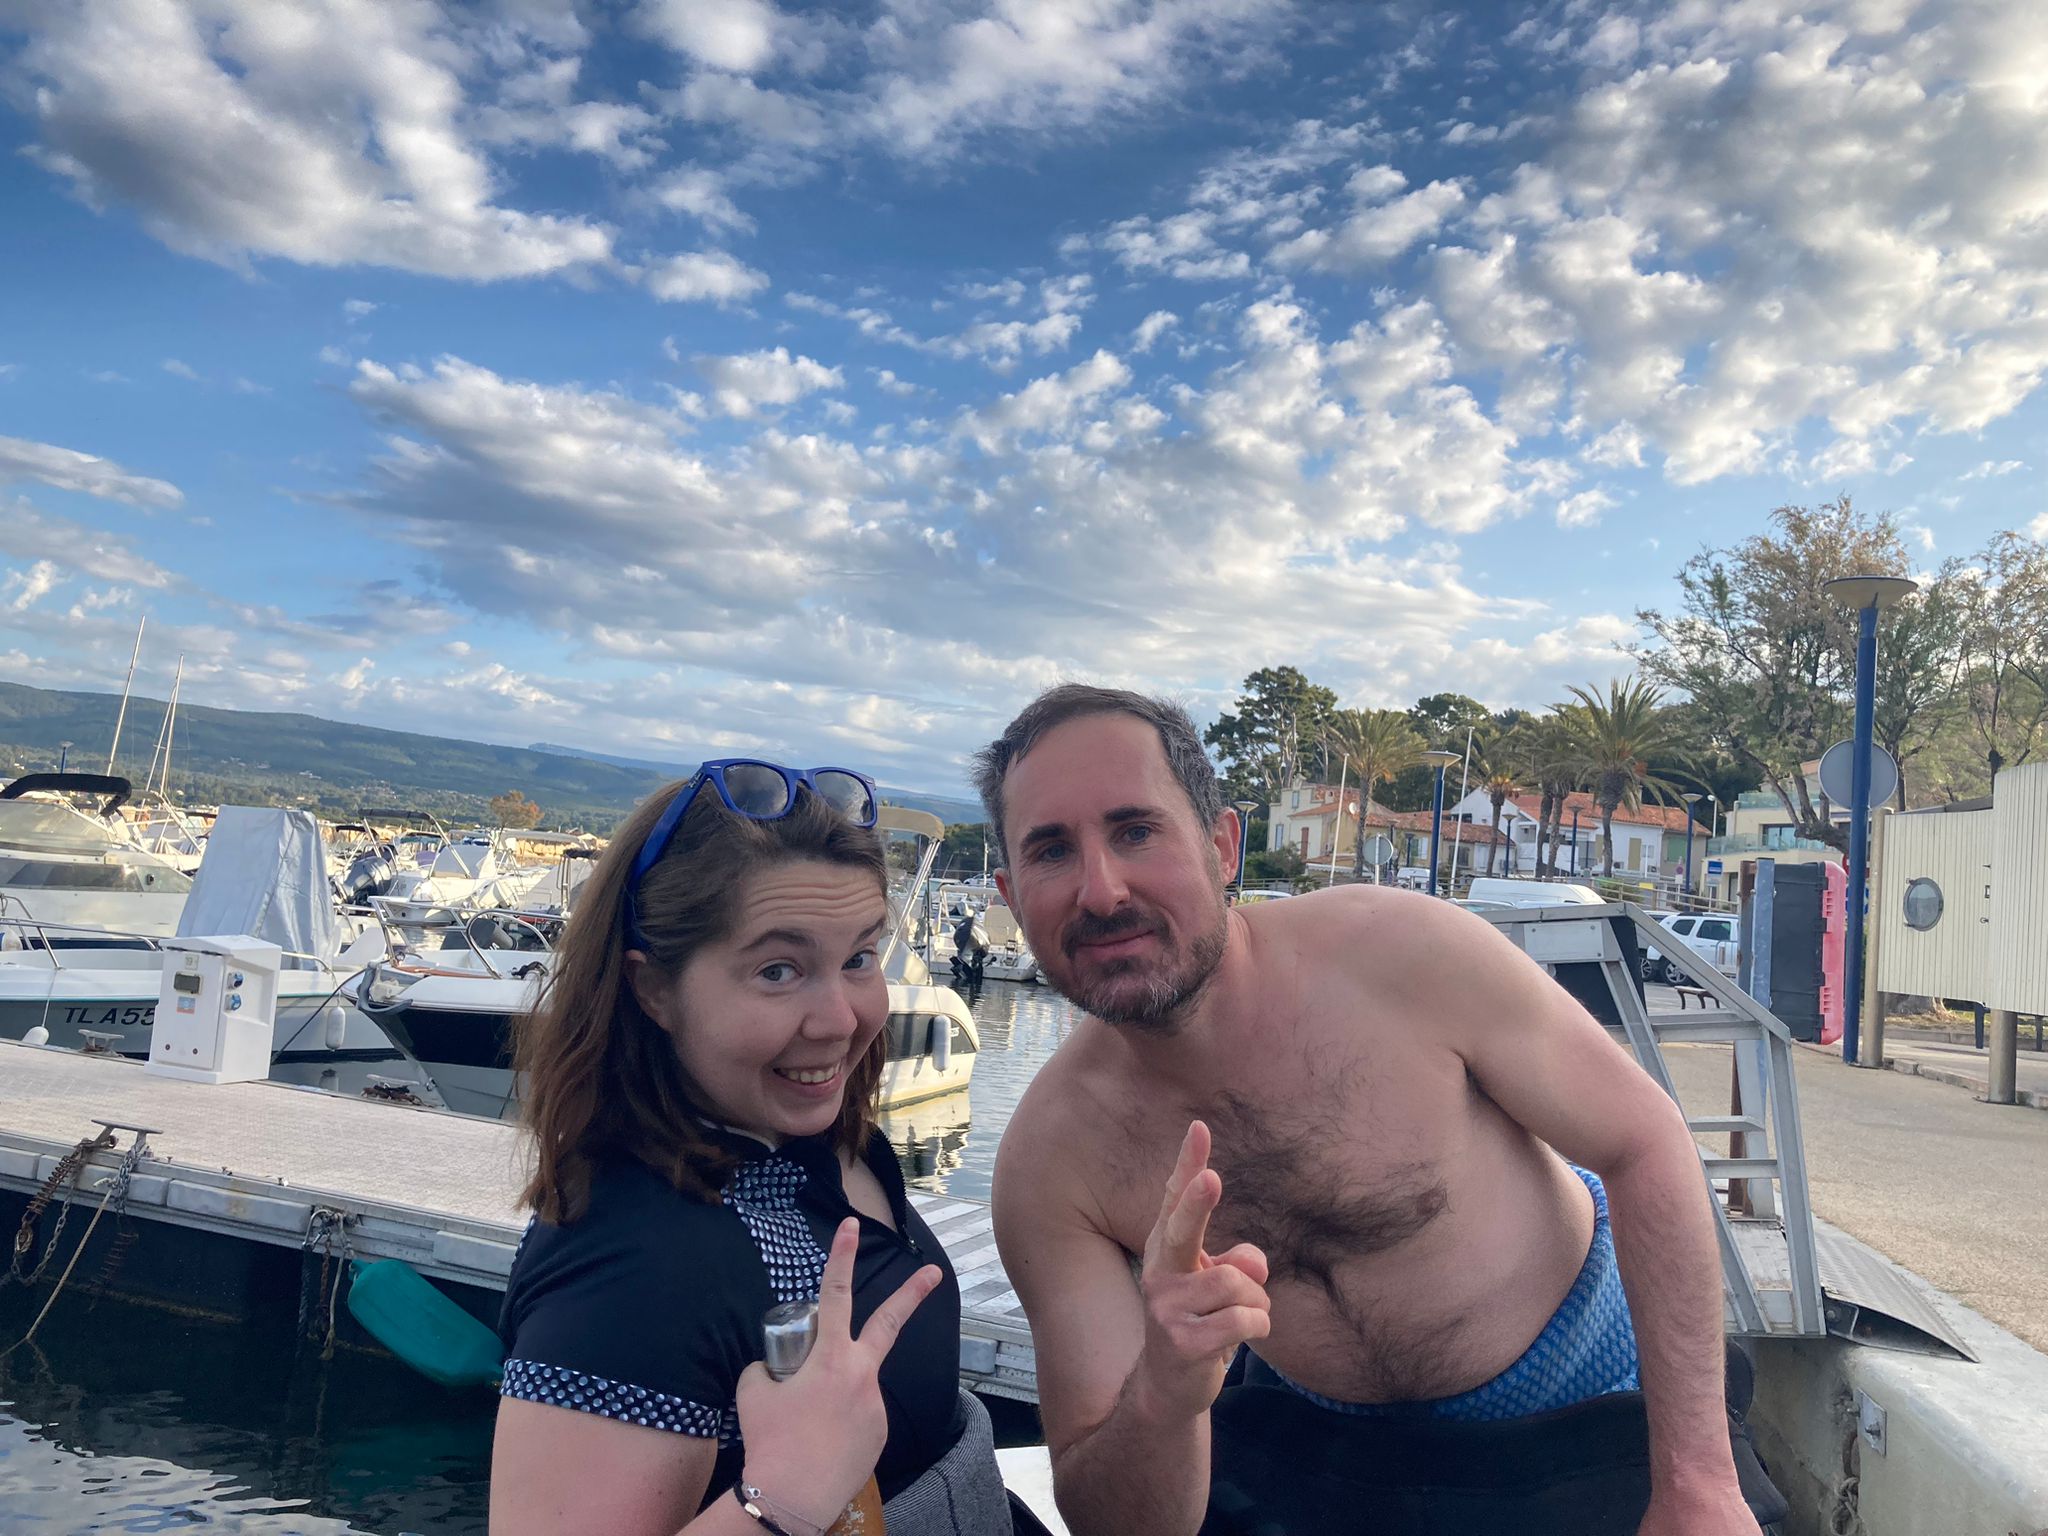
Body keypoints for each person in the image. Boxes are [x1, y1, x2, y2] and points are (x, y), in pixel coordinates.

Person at [974, 685, 1768, 1536]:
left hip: (1600, 1411)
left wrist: (1697, 1480)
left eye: (1136, 831)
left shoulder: (1400, 957)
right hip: (1322, 1453)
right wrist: (1164, 1394)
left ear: (1222, 846)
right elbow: (1112, 1519)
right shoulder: (1052, 1165)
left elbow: (1645, 1142)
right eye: (1052, 851)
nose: (1101, 891)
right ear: (1012, 897)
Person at [491, 760, 1013, 1536]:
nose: (840, 1019)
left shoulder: (826, 1142)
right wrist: (786, 1496)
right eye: (778, 970)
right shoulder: (632, 1260)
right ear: (653, 989)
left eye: (858, 958)